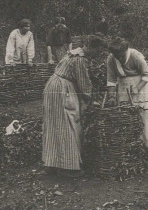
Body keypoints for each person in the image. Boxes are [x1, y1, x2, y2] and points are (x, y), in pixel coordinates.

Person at [42, 34, 109, 178]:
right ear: (92, 47)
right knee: (69, 124)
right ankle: (68, 167)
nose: (98, 55)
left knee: (55, 124)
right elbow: (84, 84)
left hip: (53, 87)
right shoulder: (80, 59)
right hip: (62, 89)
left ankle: (52, 163)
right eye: (98, 51)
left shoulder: (74, 53)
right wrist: (92, 100)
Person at [105, 37, 148, 150]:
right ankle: (131, 146)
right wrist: (111, 96)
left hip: (140, 86)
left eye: (122, 55)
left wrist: (137, 88)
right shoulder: (111, 59)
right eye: (117, 56)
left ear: (126, 50)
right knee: (126, 114)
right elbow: (111, 80)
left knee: (144, 114)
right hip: (123, 87)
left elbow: (147, 74)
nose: (120, 58)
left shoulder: (135, 56)